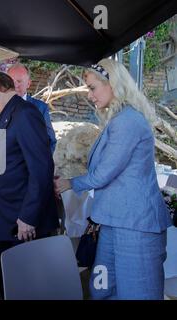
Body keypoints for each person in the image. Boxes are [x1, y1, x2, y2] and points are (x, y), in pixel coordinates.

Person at [55, 58, 171, 300]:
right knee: (102, 288)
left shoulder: (127, 121)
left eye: (92, 87)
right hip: (113, 222)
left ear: (113, 84)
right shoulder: (119, 119)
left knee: (137, 293)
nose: (89, 95)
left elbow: (104, 172)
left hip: (135, 226)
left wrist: (70, 183)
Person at [0, 72, 59, 299]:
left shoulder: (25, 114)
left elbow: (42, 168)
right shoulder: (9, 113)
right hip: (7, 213)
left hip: (21, 220)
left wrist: (28, 217)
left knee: (23, 284)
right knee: (3, 276)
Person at [7, 63, 57, 153]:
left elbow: (50, 141)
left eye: (19, 81)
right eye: (11, 81)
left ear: (28, 84)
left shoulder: (41, 108)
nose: (15, 86)